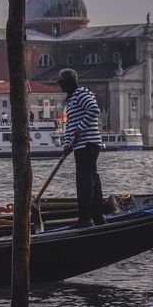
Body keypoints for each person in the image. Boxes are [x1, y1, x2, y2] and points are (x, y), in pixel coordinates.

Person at [58, 68, 104, 228]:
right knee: (92, 179)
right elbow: (70, 126)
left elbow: (94, 109)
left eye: (60, 81)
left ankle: (85, 218)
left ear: (69, 82)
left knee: (84, 182)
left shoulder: (81, 94)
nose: (58, 84)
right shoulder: (71, 100)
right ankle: (98, 217)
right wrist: (66, 145)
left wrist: (81, 129)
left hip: (88, 143)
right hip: (83, 144)